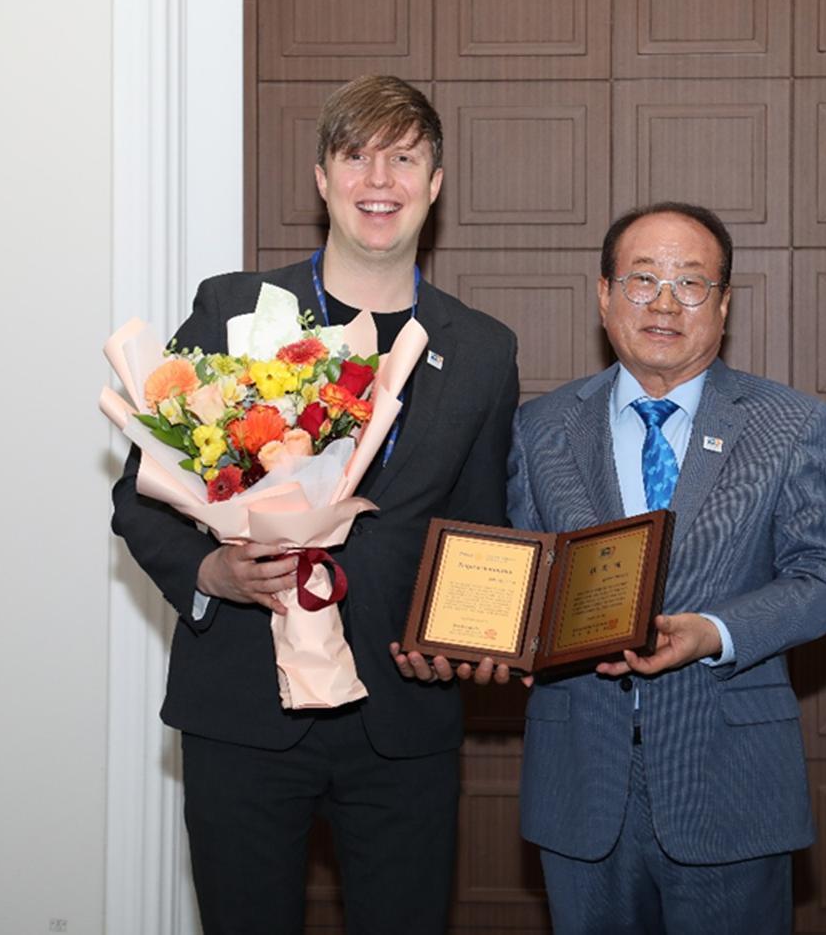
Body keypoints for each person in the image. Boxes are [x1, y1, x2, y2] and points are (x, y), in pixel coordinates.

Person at [110, 75, 519, 934]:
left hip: (402, 720)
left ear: (435, 184)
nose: (381, 179)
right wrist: (212, 572)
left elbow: (479, 531)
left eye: (404, 157)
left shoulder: (482, 350)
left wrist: (473, 639)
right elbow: (140, 499)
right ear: (322, 179)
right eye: (356, 155)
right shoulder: (230, 311)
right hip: (243, 714)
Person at [505, 202, 826, 933]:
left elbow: (820, 581)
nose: (664, 302)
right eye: (641, 279)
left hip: (728, 779)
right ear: (603, 295)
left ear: (723, 304)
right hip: (581, 783)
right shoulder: (541, 427)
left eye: (691, 283)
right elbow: (527, 584)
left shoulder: (788, 422)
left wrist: (712, 631)